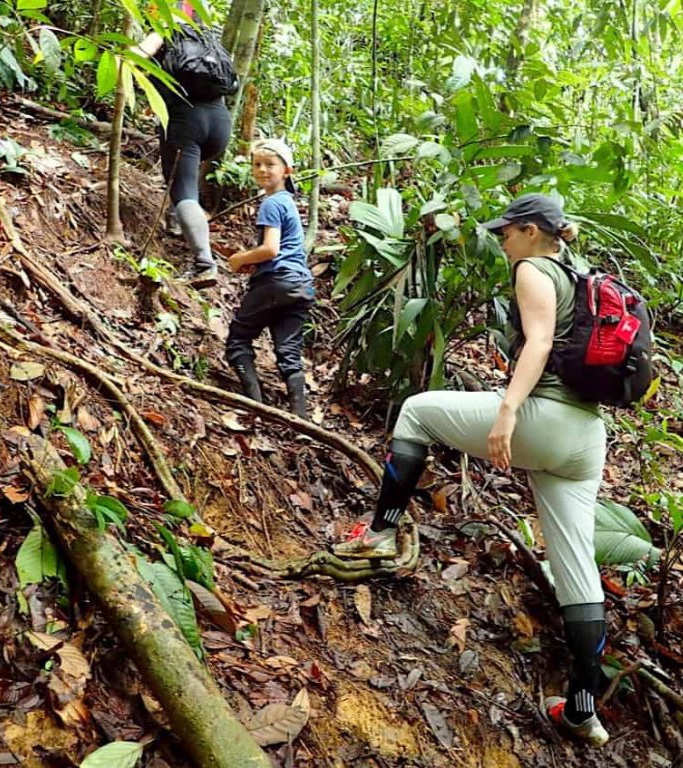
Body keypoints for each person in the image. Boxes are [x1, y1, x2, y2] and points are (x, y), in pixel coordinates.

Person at [334, 193, 612, 746]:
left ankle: (382, 534)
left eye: (508, 231)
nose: (503, 240)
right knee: (577, 567)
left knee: (416, 411)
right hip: (585, 438)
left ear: (533, 231)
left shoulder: (533, 268)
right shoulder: (581, 277)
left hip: (543, 417)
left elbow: (537, 343)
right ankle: (583, 710)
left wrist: (508, 411)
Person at [135, 1, 231, 288]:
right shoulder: (208, 39)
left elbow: (136, 56)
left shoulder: (166, 30)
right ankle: (178, 220)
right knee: (187, 181)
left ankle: (204, 263)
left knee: (183, 190)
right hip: (220, 124)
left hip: (185, 119)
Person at [225, 138, 315, 417]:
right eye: (257, 164)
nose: (262, 170)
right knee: (289, 351)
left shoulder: (272, 203)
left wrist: (240, 259)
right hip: (300, 286)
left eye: (270, 164)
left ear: (287, 170)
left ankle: (256, 404)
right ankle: (301, 418)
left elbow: (270, 249)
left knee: (238, 340)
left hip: (276, 282)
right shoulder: (288, 202)